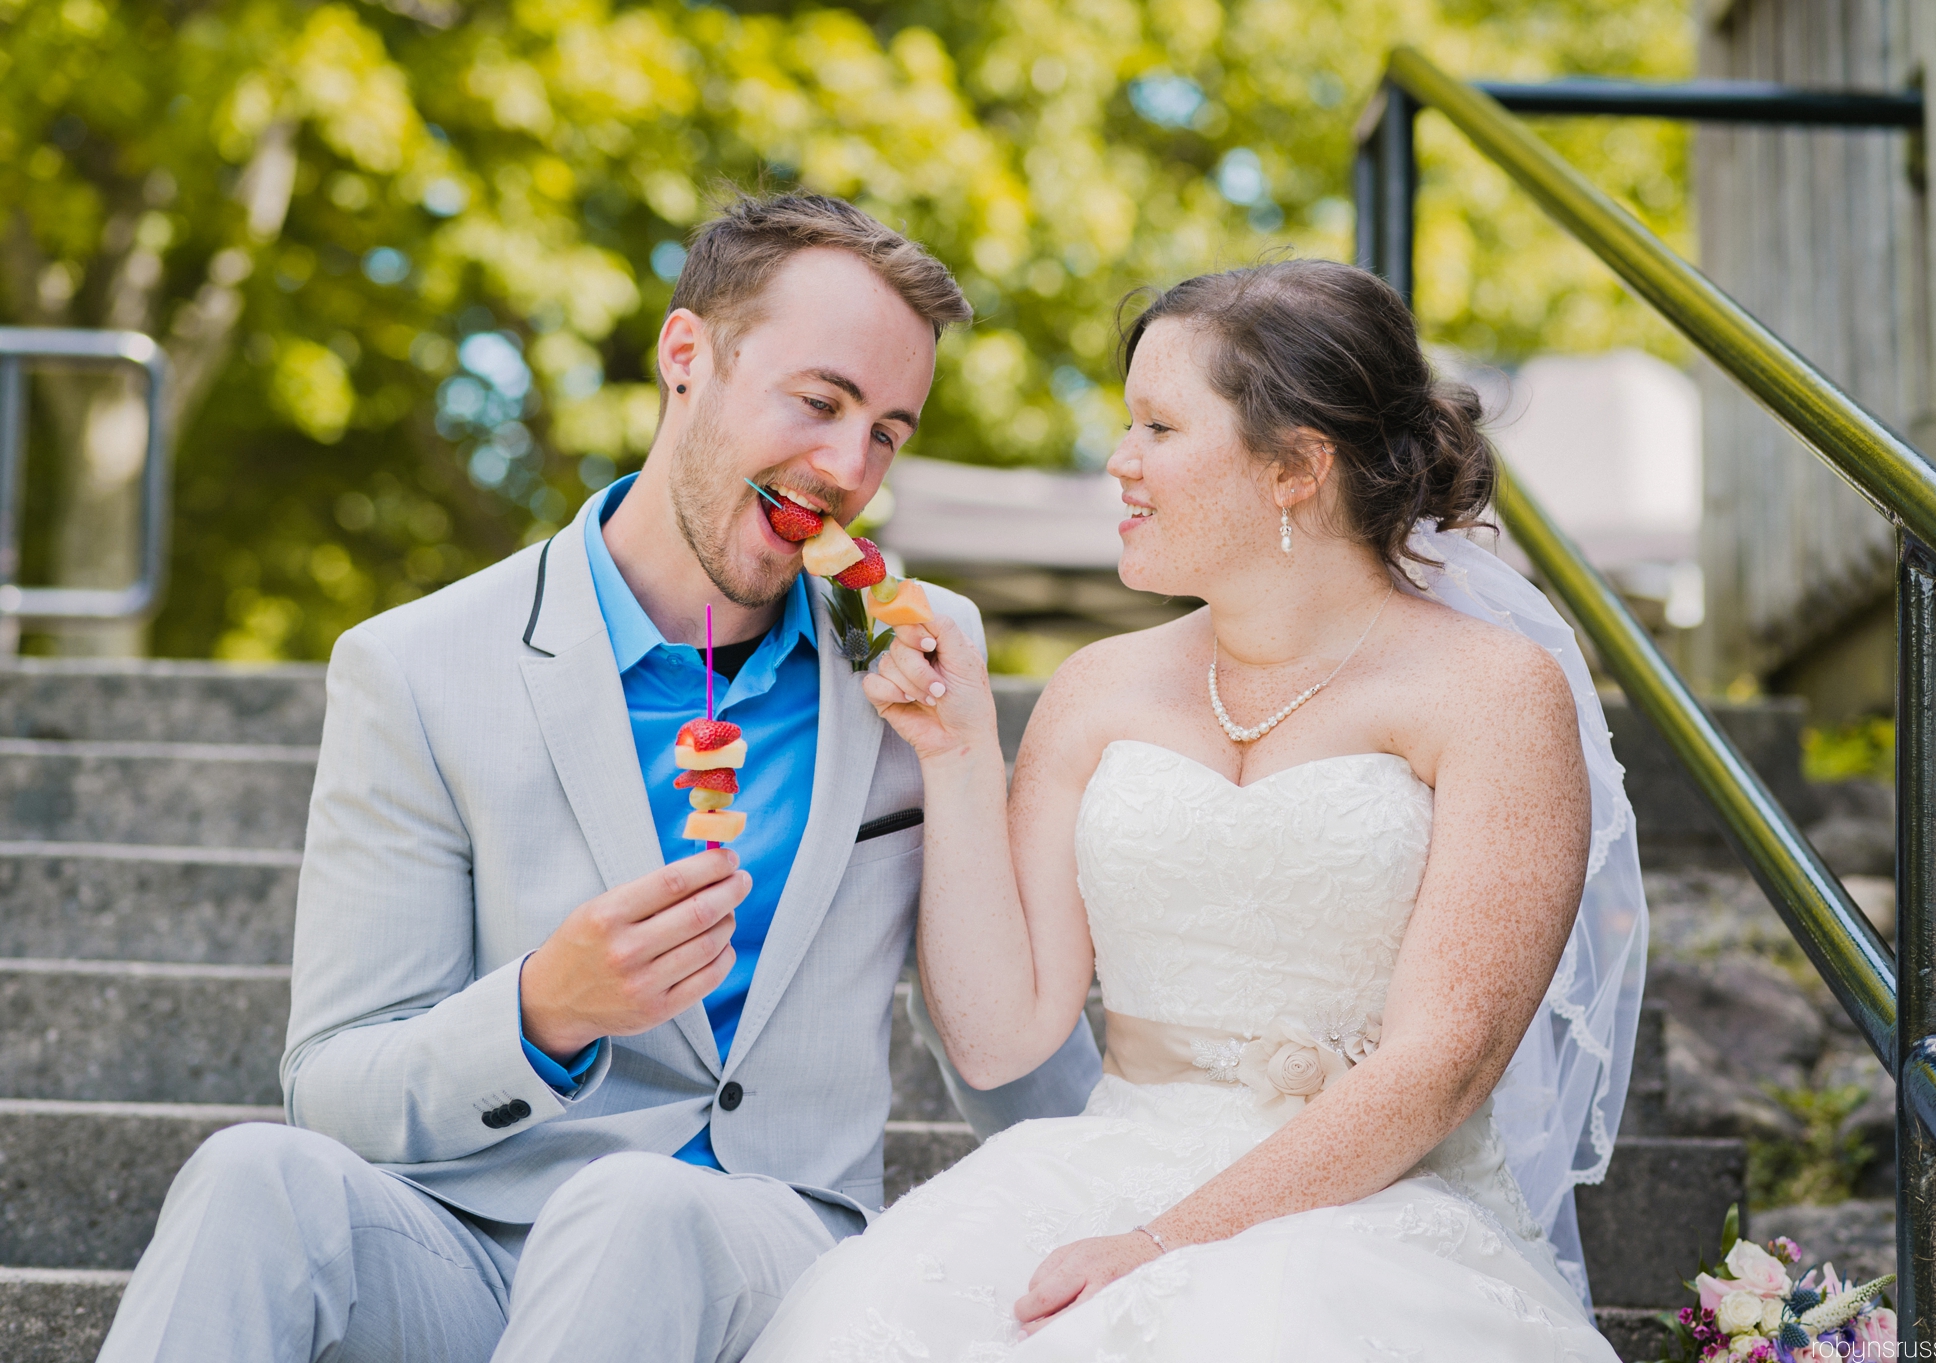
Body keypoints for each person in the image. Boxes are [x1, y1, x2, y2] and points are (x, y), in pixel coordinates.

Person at [95, 192, 1100, 1363]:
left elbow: (1011, 1063)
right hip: (471, 1252)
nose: (845, 465)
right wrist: (543, 1009)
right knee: (250, 1173)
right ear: (687, 357)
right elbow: (335, 1089)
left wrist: (966, 761)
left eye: (886, 430)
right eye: (819, 402)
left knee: (633, 1209)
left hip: (770, 1244)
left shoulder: (923, 654)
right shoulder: (415, 668)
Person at [745, 258, 1649, 1361]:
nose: (1118, 465)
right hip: (1102, 1163)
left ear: (1294, 467)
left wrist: (1163, 1241)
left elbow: (1445, 1059)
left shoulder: (1492, 692)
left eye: (1158, 428)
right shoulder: (1096, 687)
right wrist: (956, 749)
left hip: (1365, 1202)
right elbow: (995, 1039)